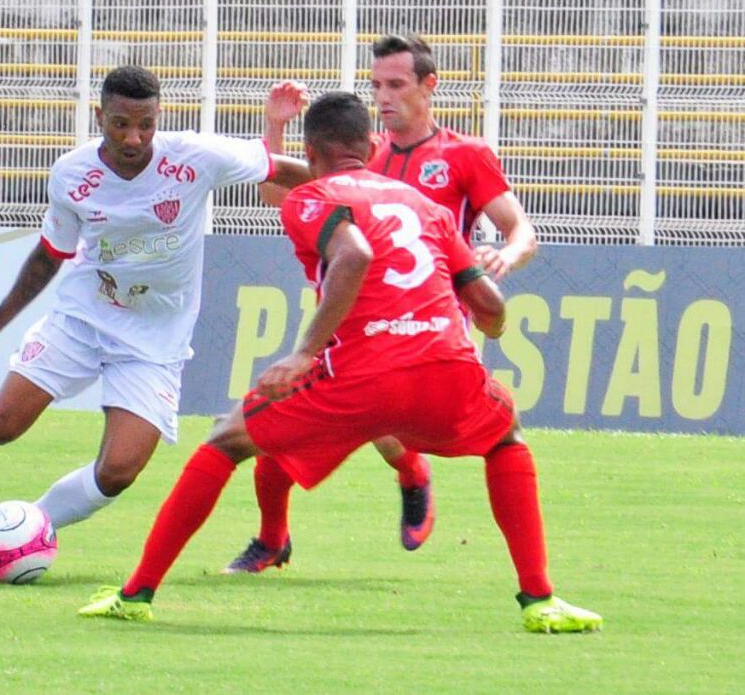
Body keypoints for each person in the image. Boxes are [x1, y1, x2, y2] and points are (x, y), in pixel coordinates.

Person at [78, 91, 601, 633]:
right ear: (373, 145)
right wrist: (491, 329)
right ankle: (540, 599)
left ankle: (137, 592)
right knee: (505, 439)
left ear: (311, 151)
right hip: (445, 366)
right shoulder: (427, 206)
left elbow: (354, 254)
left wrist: (305, 353)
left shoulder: (315, 196)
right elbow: (489, 307)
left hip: (359, 374)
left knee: (226, 439)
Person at [0, 66, 314, 533]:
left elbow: (284, 173)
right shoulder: (72, 173)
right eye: (120, 124)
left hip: (155, 340)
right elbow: (50, 255)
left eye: (145, 125)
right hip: (82, 320)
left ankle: (29, 529)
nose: (133, 138)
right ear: (99, 116)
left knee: (118, 472)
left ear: (158, 117)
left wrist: (364, 195)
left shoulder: (195, 156)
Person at [228, 33, 540, 572]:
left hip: (430, 325)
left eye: (396, 85)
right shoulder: (359, 154)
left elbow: (521, 230)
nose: (384, 97)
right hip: (349, 317)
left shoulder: (464, 156)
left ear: (428, 86)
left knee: (313, 413)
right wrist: (276, 124)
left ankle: (411, 474)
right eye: (376, 86)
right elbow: (283, 197)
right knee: (280, 424)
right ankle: (279, 536)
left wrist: (503, 257)